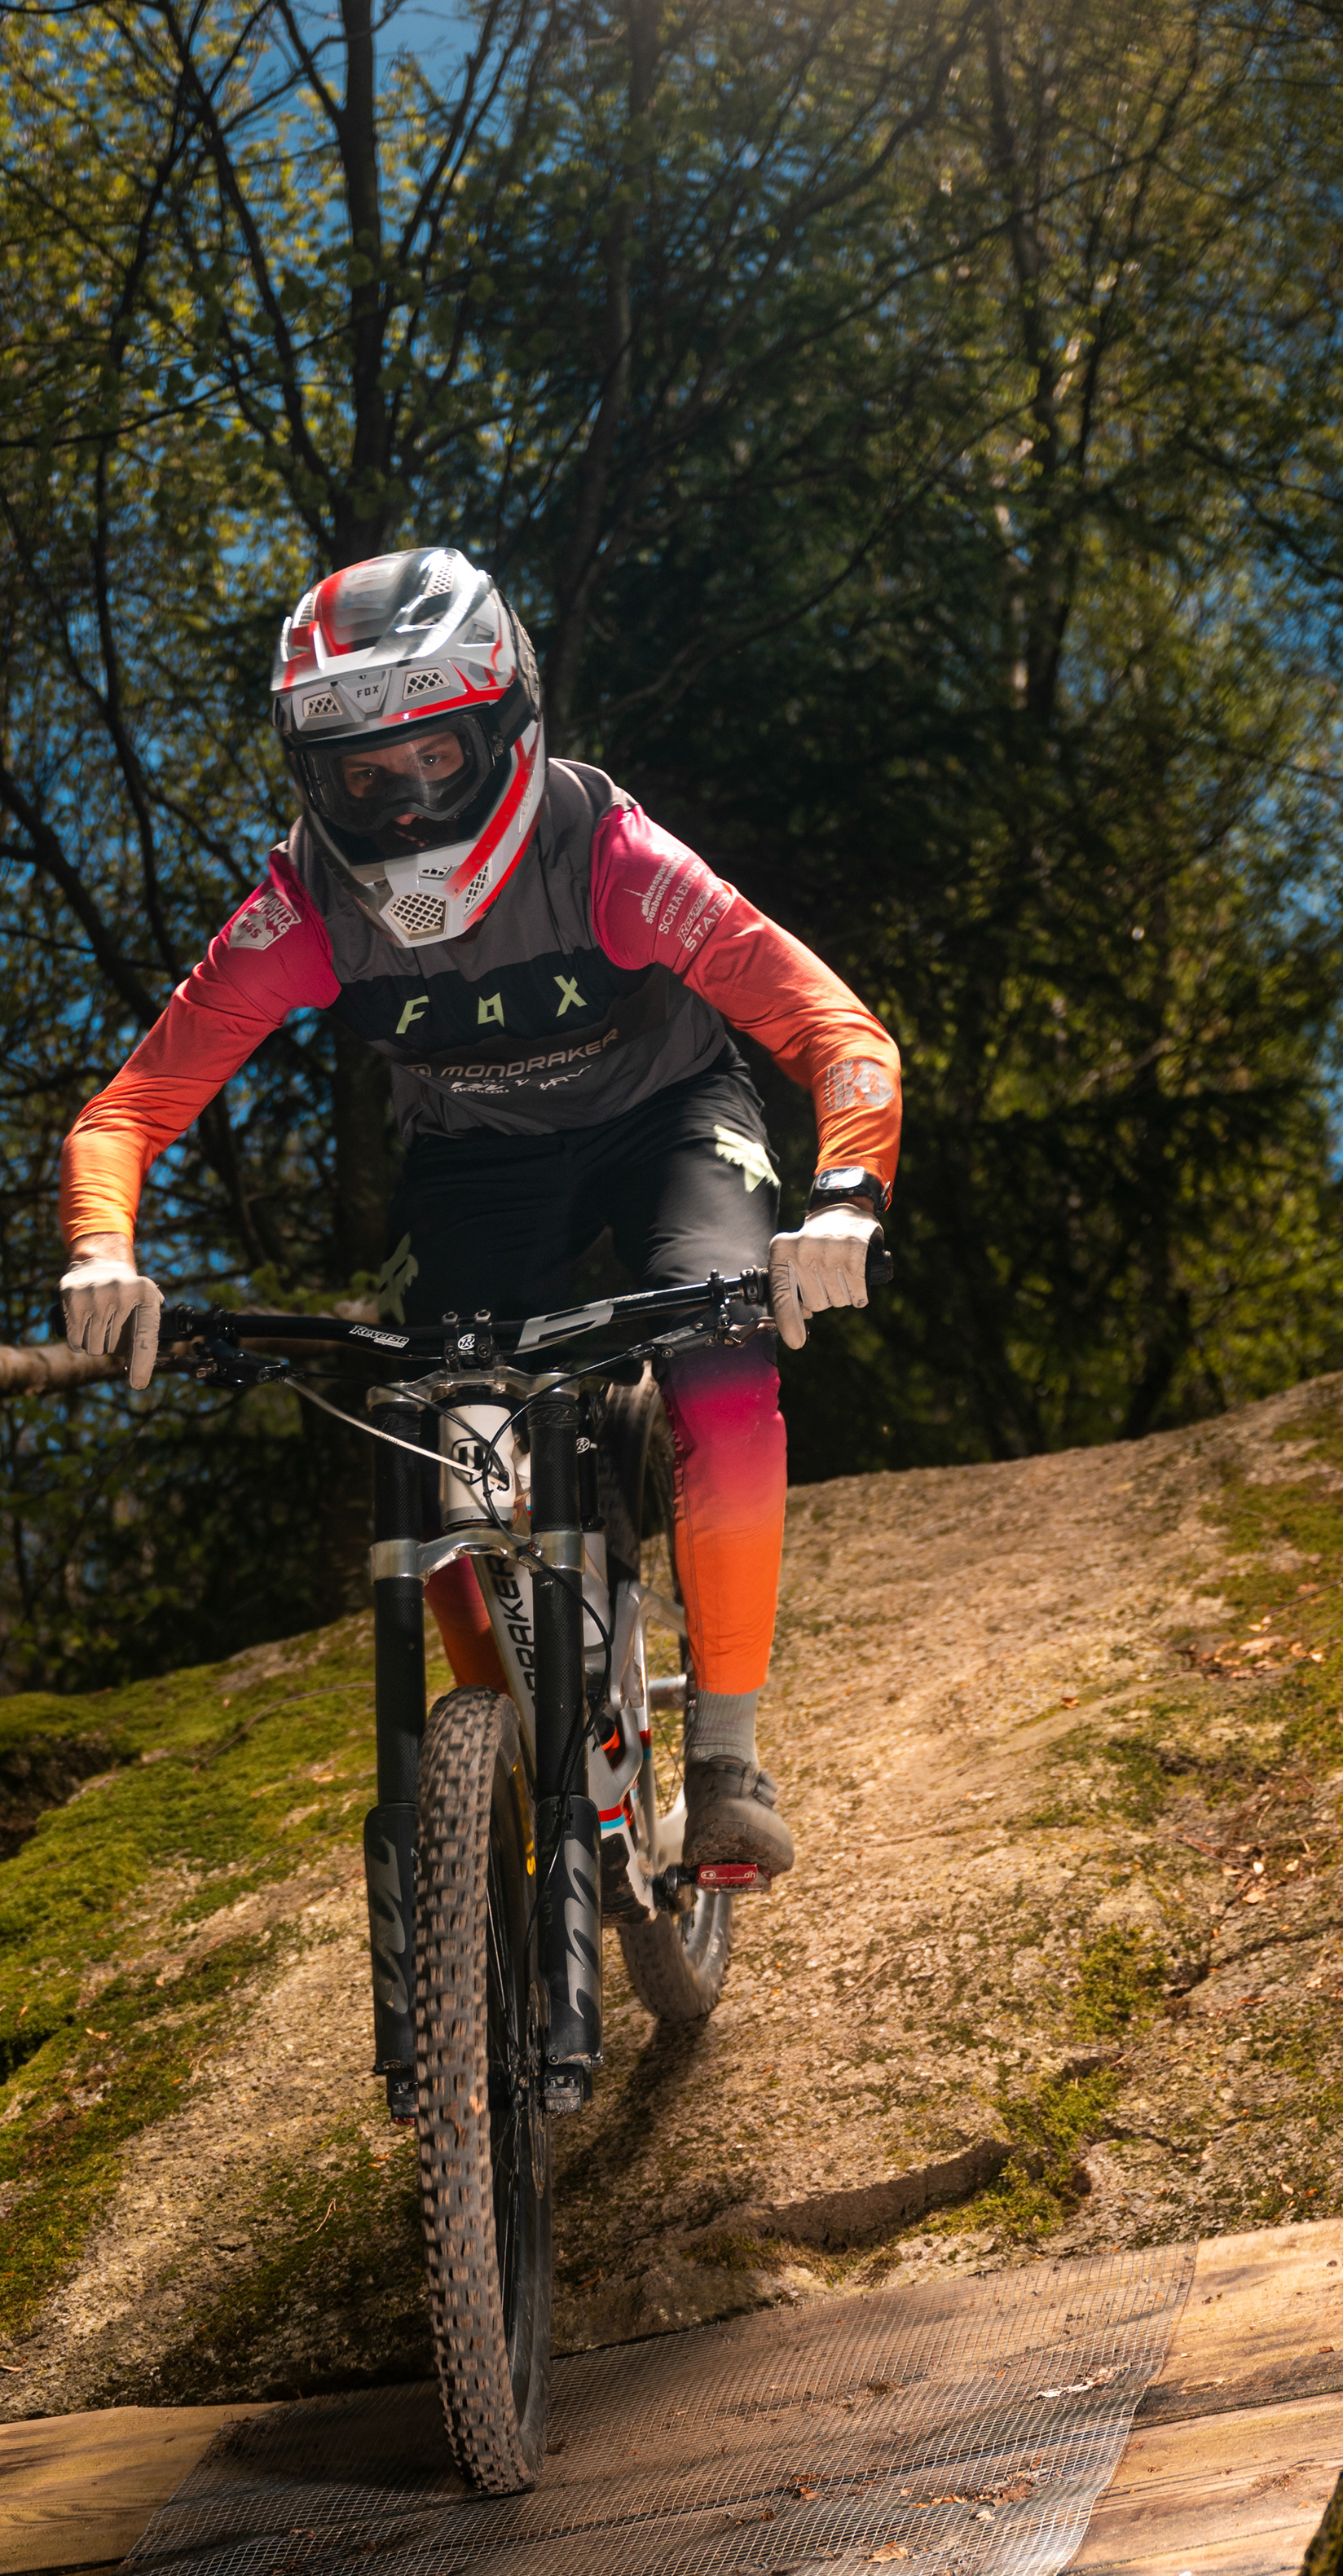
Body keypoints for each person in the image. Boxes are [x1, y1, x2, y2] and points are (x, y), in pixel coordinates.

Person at [55, 543, 902, 1883]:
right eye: (364, 777)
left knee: (727, 1373)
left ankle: (728, 1760)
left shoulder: (611, 852)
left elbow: (828, 1023)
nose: (402, 807)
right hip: (478, 1164)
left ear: (504, 726)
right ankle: (512, 1740)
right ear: (314, 779)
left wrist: (846, 1195)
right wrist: (103, 1255)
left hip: (670, 1120)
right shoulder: (305, 905)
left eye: (435, 760)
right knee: (445, 1439)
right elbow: (129, 1108)